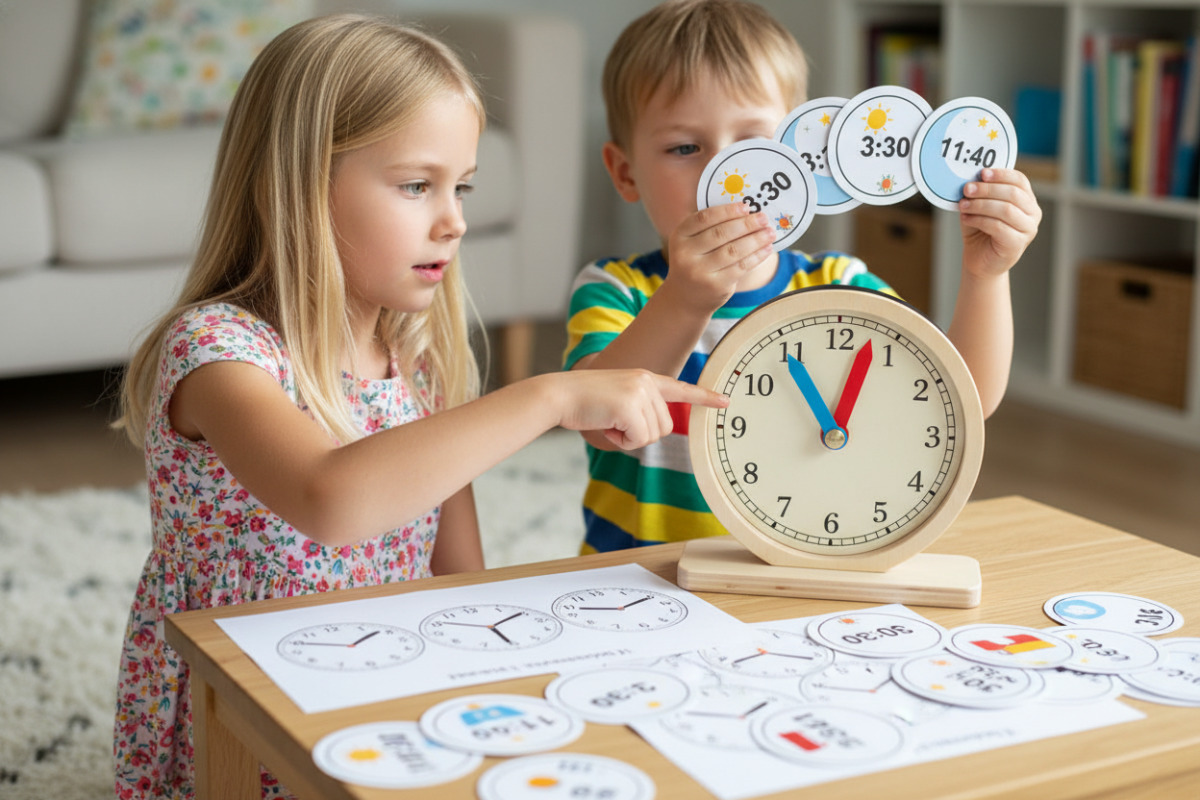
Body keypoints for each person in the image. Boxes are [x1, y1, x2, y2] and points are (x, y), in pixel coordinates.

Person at [111, 14, 726, 799]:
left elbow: (458, 573)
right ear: (296, 183)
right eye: (416, 185)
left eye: (461, 186)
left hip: (382, 676)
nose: (454, 219)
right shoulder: (220, 352)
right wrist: (548, 394)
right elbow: (330, 498)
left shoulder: (418, 358)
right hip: (246, 706)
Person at [565, 0, 1042, 554]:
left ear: (804, 156)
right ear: (626, 173)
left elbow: (965, 399)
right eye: (685, 148)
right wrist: (686, 300)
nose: (728, 172)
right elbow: (604, 424)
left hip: (792, 578)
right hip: (639, 582)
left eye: (753, 144)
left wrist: (986, 277)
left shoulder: (840, 284)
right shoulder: (614, 290)